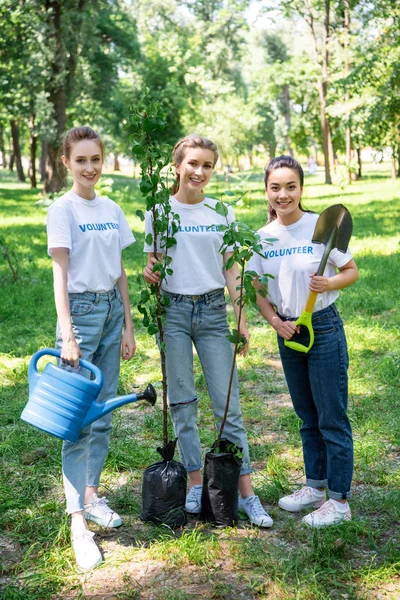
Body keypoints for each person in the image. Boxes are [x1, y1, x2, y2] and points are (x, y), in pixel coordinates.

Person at [143, 134, 273, 528]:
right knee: (182, 403)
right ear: (178, 165)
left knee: (227, 408)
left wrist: (242, 320)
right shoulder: (159, 211)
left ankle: (246, 493)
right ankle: (197, 481)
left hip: (215, 312)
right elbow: (154, 265)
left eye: (207, 166)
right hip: (175, 311)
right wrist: (149, 273)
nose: (199, 172)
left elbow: (233, 269)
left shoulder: (221, 211)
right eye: (193, 163)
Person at [248, 155, 358, 528]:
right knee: (306, 416)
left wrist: (329, 283)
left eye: (290, 186)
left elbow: (350, 271)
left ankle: (339, 501)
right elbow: (256, 288)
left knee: (331, 417)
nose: (283, 194)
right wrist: (275, 321)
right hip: (289, 332)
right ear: (266, 190)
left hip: (323, 327)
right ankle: (315, 485)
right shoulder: (262, 238)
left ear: (300, 189)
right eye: (275, 187)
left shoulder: (320, 227)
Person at [46, 126, 136, 569]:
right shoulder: (63, 209)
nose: (89, 168)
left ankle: (92, 494)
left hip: (111, 313)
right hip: (80, 315)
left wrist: (128, 325)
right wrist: (67, 333)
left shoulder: (111, 207)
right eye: (80, 160)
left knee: (102, 415)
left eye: (95, 159)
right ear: (67, 163)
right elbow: (60, 275)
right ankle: (78, 523)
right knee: (77, 423)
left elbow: (119, 268)